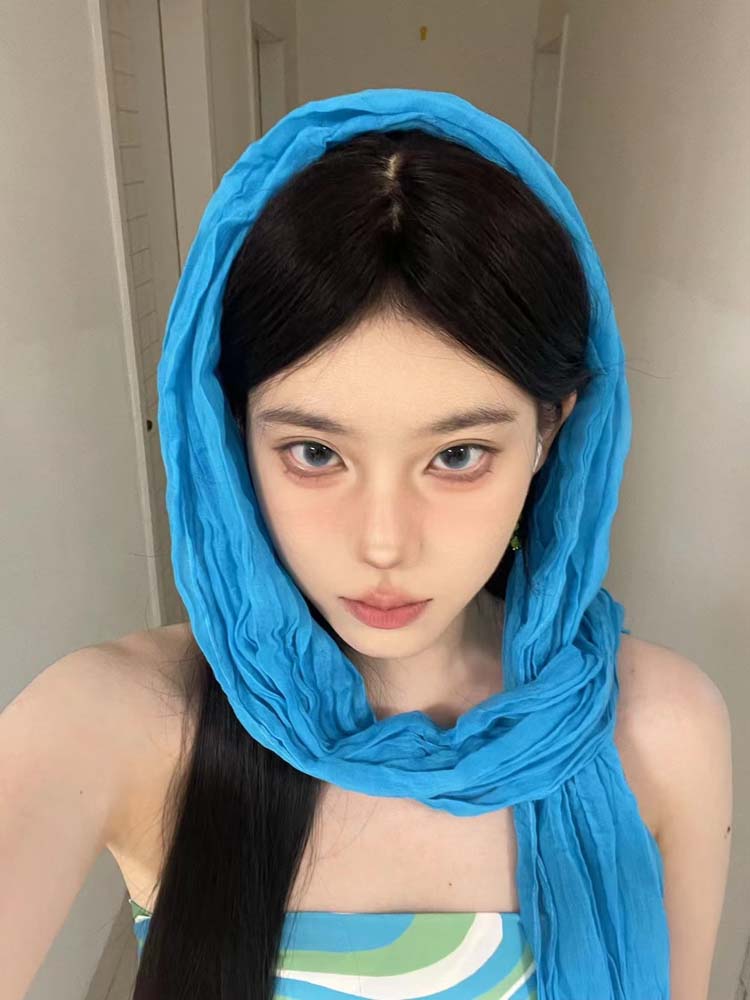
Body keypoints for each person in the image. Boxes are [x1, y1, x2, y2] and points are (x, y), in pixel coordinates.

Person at [0, 91, 732, 1000]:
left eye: (457, 455)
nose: (383, 544)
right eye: (315, 453)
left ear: (551, 433)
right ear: (231, 438)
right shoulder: (118, 722)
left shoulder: (661, 730)